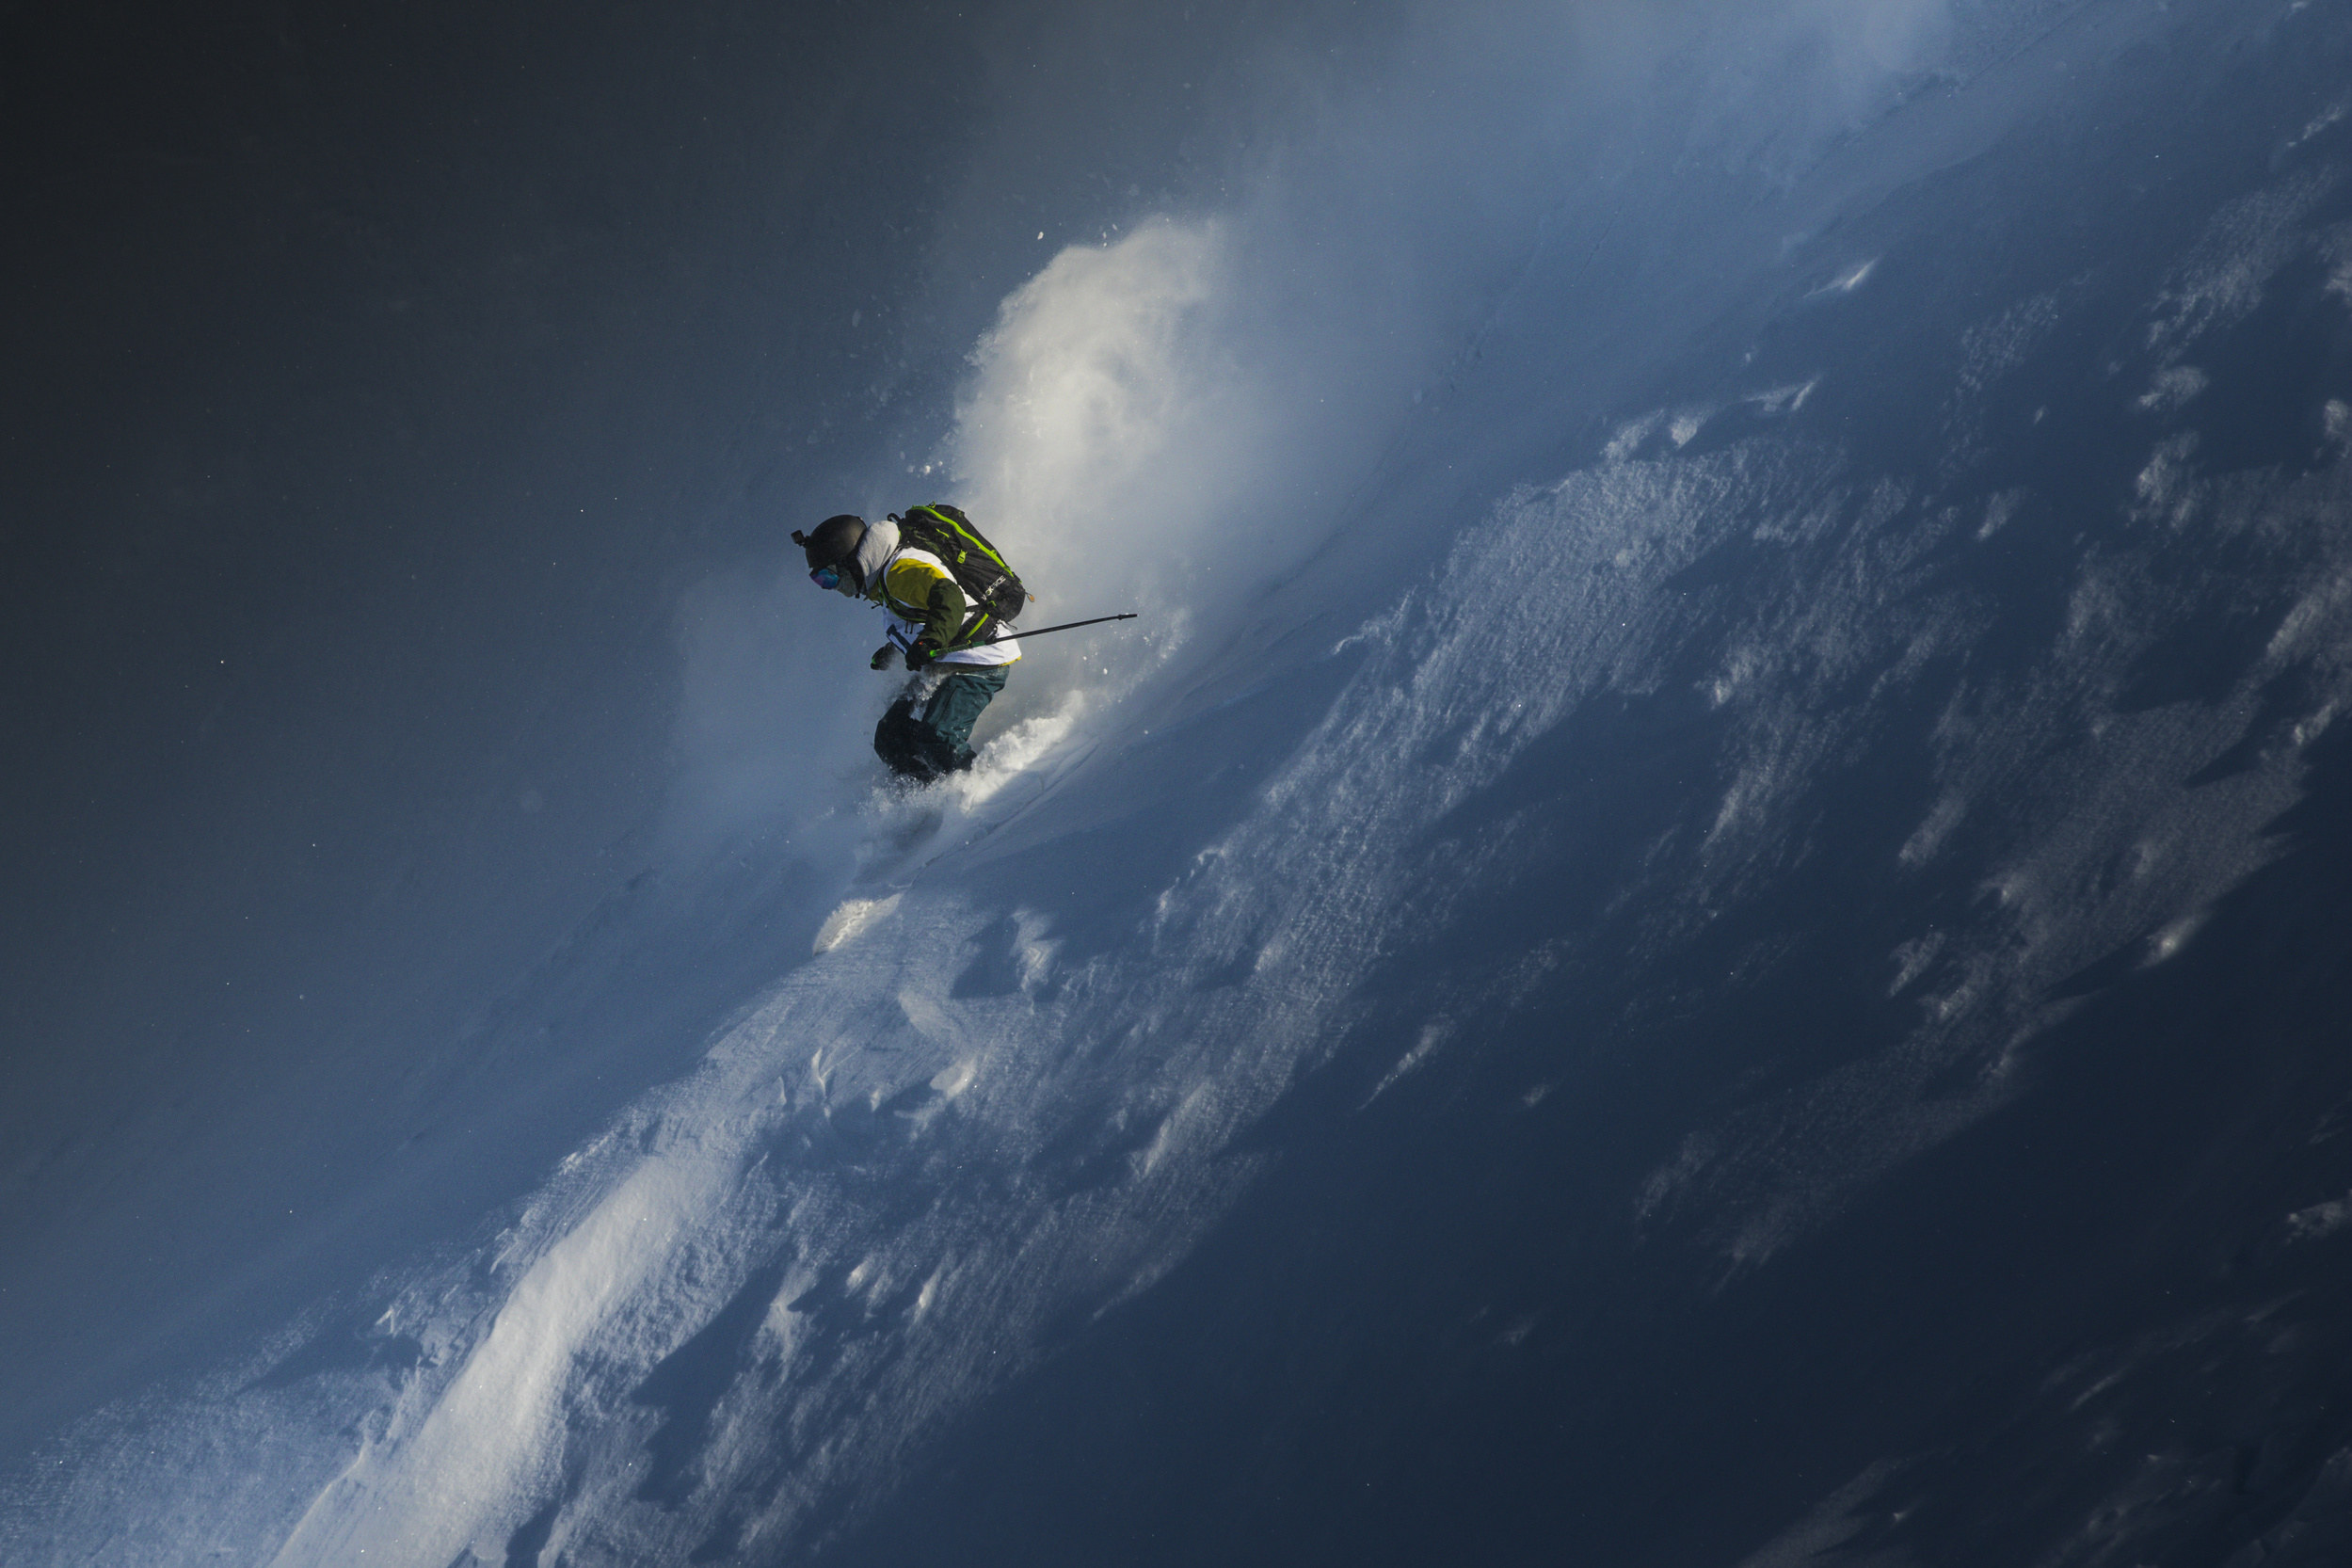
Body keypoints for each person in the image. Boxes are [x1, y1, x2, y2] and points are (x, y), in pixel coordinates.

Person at [792, 510, 1020, 782]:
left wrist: (929, 640)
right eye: (820, 581)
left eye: (829, 577)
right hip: (947, 661)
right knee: (890, 738)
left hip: (979, 659)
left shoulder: (900, 571)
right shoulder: (884, 578)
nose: (831, 588)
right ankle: (931, 789)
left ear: (850, 561)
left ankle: (985, 789)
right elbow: (917, 617)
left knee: (938, 737)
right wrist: (896, 650)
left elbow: (949, 597)